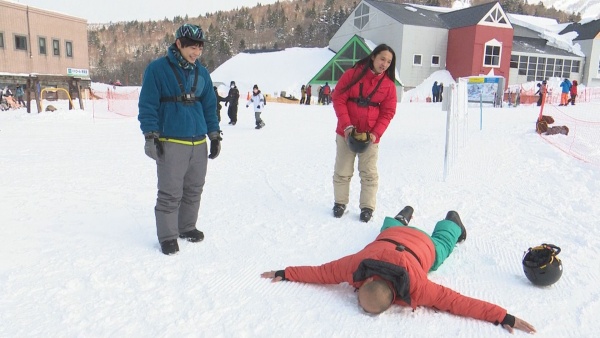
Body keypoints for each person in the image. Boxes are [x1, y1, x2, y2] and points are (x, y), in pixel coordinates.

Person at [261, 207, 536, 334]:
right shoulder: (357, 265)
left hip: (422, 245)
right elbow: (321, 273)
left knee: (441, 248)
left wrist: (503, 316)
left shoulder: (419, 287)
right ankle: (402, 218)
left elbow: (457, 303)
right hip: (393, 235)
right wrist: (285, 271)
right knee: (387, 232)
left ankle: (451, 223)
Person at [138, 23, 221, 255]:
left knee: (194, 189)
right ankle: (167, 236)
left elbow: (210, 106)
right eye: (191, 47)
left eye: (199, 48)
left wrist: (214, 135)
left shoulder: (202, 73)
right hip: (172, 142)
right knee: (170, 192)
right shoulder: (157, 69)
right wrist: (150, 136)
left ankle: (186, 227)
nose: (196, 52)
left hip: (198, 143)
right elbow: (147, 105)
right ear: (179, 44)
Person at [331, 44, 398, 222]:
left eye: (389, 62)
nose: (384, 64)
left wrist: (375, 134)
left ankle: (367, 207)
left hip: (370, 136)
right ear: (373, 57)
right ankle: (340, 202)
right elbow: (338, 98)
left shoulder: (389, 86)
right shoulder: (352, 74)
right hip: (345, 132)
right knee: (342, 170)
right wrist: (346, 125)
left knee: (368, 173)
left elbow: (388, 112)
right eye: (382, 59)